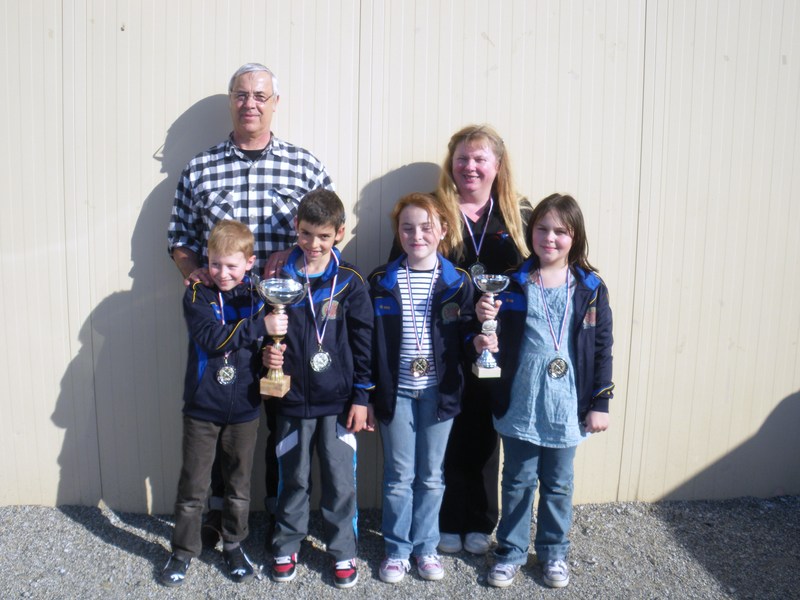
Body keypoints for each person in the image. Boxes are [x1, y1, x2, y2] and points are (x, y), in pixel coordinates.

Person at [167, 62, 334, 547]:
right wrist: (192, 272)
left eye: (261, 96)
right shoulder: (200, 168)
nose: (250, 104)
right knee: (226, 417)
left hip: (288, 320)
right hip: (226, 325)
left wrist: (297, 252)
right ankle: (222, 520)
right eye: (242, 95)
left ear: (275, 103)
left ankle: (279, 521)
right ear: (231, 100)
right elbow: (179, 237)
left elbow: (327, 231)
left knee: (281, 418)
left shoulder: (305, 166)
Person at [474, 193, 614, 589]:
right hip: (521, 397)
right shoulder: (513, 283)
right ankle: (511, 552)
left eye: (560, 231)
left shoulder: (590, 287)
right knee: (517, 479)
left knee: (558, 482)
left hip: (567, 400)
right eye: (542, 229)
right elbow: (492, 337)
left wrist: (600, 401)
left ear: (575, 236)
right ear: (530, 232)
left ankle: (553, 552)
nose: (549, 238)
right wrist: (485, 320)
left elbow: (602, 347)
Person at [160, 220, 287, 587]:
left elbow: (265, 343)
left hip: (245, 408)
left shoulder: (259, 295)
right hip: (202, 407)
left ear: (250, 263)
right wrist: (259, 327)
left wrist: (272, 356)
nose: (222, 272)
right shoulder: (197, 294)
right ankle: (183, 551)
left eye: (232, 265)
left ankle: (233, 544)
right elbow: (214, 339)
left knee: (238, 485)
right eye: (215, 264)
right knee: (193, 487)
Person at [262, 189, 374, 589]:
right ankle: (287, 542)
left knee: (340, 480)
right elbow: (266, 334)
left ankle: (343, 550)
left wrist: (362, 397)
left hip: (338, 403)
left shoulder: (350, 282)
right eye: (307, 234)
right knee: (293, 477)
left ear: (339, 233)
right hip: (290, 400)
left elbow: (363, 343)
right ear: (296, 228)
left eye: (324, 236)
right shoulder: (277, 279)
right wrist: (266, 353)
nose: (314, 244)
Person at [432, 125, 532, 555]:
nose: (469, 166)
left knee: (485, 431)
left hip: (498, 344)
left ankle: (479, 520)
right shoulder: (435, 211)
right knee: (448, 429)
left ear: (497, 165)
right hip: (445, 343)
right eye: (461, 158)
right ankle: (447, 518)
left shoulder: (518, 215)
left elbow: (541, 272)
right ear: (450, 163)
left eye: (479, 159)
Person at [370, 193, 479, 584]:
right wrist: (366, 393)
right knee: (399, 475)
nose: (417, 234)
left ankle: (426, 547)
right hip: (396, 391)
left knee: (432, 475)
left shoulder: (457, 282)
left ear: (443, 231)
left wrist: (479, 343)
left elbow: (467, 335)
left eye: (426, 226)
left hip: (439, 390)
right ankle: (397, 550)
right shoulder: (381, 281)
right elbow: (368, 344)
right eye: (407, 227)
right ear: (398, 233)